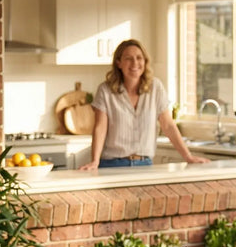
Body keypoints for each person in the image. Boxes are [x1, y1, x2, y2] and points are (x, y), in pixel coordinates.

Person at [79, 39, 210, 170]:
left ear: (145, 61)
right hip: (112, 165)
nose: (135, 63)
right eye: (128, 58)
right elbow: (100, 128)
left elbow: (168, 125)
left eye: (139, 58)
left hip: (145, 165)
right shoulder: (105, 90)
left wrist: (188, 156)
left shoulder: (156, 87)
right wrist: (95, 161)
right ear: (118, 63)